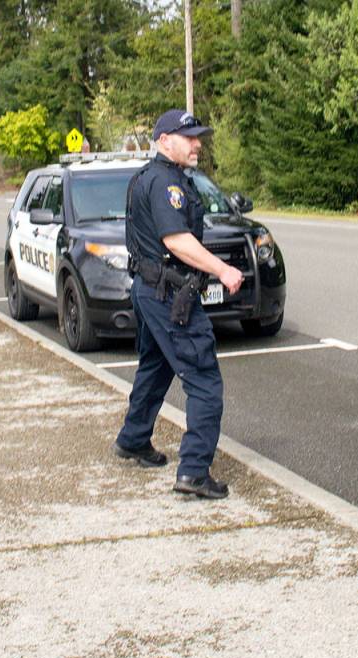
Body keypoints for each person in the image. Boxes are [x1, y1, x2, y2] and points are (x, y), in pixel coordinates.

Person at [112, 109, 243, 500]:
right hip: (170, 296)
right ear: (164, 140)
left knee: (155, 366)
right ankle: (194, 471)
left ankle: (133, 439)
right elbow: (176, 241)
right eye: (189, 137)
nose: (197, 143)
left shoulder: (147, 178)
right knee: (203, 379)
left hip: (150, 290)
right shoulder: (166, 184)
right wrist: (223, 270)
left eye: (198, 136)